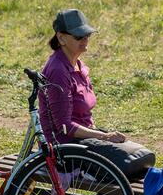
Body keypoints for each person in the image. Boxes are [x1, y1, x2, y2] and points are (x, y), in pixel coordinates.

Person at [39, 9, 155, 180]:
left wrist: (102, 137)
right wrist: (104, 136)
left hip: (84, 139)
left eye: (87, 34)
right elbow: (65, 127)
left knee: (144, 157)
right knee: (132, 164)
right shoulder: (58, 70)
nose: (85, 39)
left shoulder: (78, 65)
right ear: (61, 38)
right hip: (66, 147)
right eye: (79, 36)